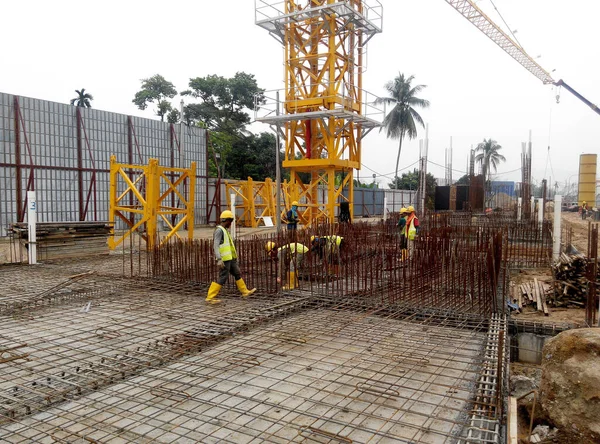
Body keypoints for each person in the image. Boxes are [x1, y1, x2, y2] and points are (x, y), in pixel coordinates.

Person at [206, 210, 256, 304]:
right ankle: (210, 297)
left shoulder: (225, 230)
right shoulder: (219, 230)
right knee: (223, 277)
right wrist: (219, 259)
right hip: (224, 259)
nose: (231, 223)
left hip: (230, 259)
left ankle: (244, 292)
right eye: (230, 221)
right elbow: (215, 245)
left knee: (237, 273)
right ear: (226, 220)